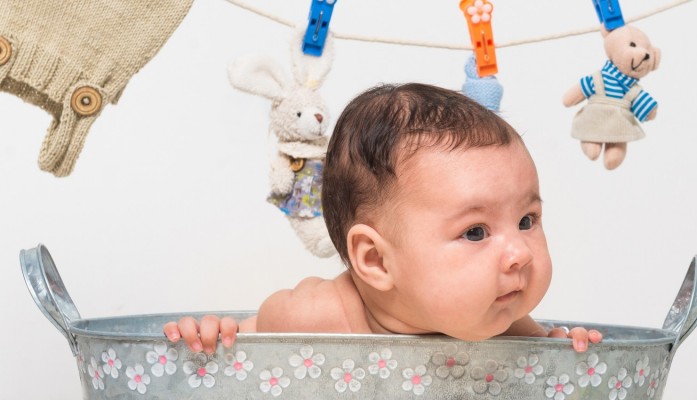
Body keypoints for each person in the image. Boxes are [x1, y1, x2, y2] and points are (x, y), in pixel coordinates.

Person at [163, 83, 602, 354]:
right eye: (475, 232)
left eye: (527, 220)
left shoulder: (504, 321)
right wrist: (212, 337)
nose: (519, 254)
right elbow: (243, 349)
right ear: (374, 260)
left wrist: (558, 351)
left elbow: (544, 370)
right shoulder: (313, 316)